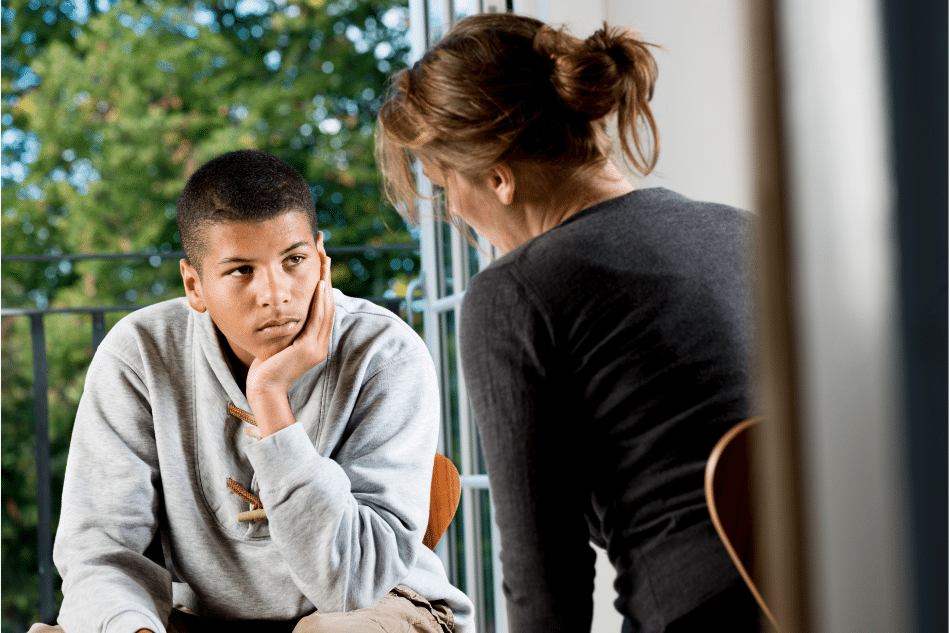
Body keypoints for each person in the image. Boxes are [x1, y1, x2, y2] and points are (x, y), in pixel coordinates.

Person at [376, 13, 759, 633]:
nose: (453, 211)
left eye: (445, 187)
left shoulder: (515, 292)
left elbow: (544, 578)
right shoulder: (744, 232)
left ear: (499, 180)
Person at [33, 149, 473, 633]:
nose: (276, 292)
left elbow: (351, 585)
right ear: (194, 285)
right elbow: (102, 554)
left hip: (382, 609)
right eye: (242, 270)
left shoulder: (385, 353)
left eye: (295, 260)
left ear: (323, 261)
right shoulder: (138, 355)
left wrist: (269, 399)